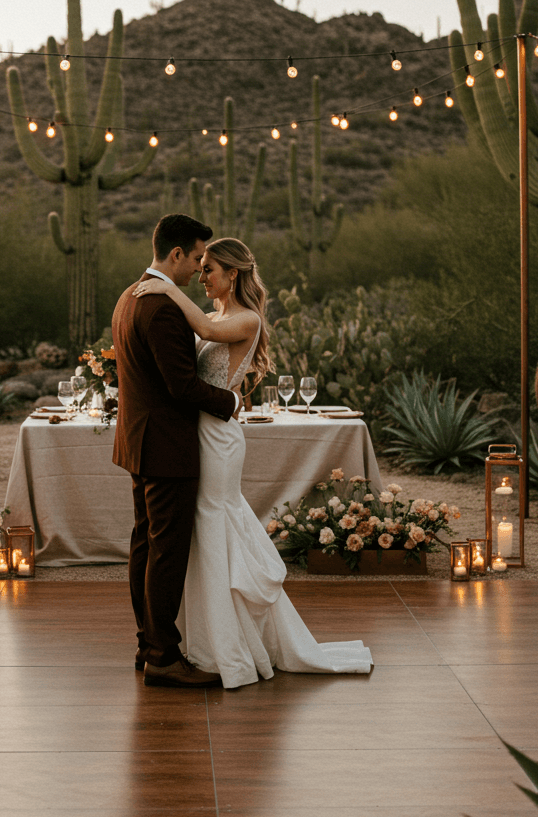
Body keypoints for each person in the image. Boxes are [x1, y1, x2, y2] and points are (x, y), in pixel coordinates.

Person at [133, 237, 373, 688]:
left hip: (218, 437)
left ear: (233, 275)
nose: (202, 277)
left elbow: (204, 331)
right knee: (203, 533)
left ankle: (229, 645)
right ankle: (205, 638)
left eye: (209, 270)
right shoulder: (221, 315)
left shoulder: (245, 319)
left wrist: (167, 289)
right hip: (200, 431)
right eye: (199, 269)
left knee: (215, 522)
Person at [112, 214, 238, 688]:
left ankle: (150, 645)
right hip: (166, 447)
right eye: (198, 260)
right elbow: (181, 387)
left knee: (145, 546)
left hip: (140, 443)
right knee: (165, 553)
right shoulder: (161, 307)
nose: (198, 272)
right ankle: (163, 655)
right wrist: (232, 401)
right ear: (178, 254)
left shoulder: (131, 296)